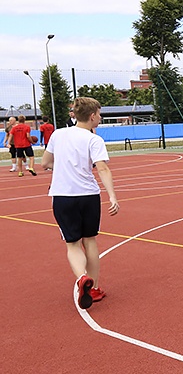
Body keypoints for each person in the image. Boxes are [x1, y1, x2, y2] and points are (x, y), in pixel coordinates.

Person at [41, 97, 119, 309]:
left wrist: (64, 164)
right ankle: (92, 288)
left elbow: (45, 163)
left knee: (72, 244)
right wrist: (112, 195)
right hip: (88, 196)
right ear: (92, 116)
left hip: (63, 197)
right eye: (100, 115)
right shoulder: (94, 140)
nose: (100, 118)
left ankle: (82, 277)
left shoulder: (58, 134)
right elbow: (102, 168)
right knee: (90, 241)